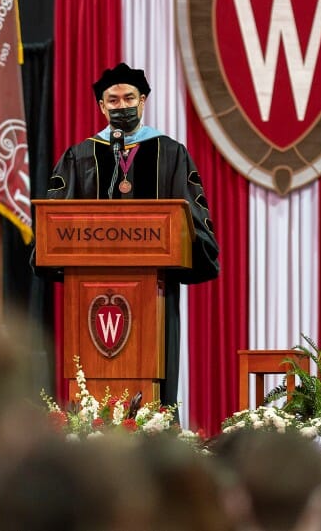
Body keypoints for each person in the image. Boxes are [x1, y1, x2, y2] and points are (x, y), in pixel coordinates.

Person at [41, 62, 220, 404]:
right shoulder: (79, 156)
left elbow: (190, 214)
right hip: (89, 283)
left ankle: (157, 428)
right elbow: (56, 215)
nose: (120, 105)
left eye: (128, 98)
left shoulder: (170, 153)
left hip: (155, 283)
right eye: (112, 100)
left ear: (143, 101)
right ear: (101, 106)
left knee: (156, 361)